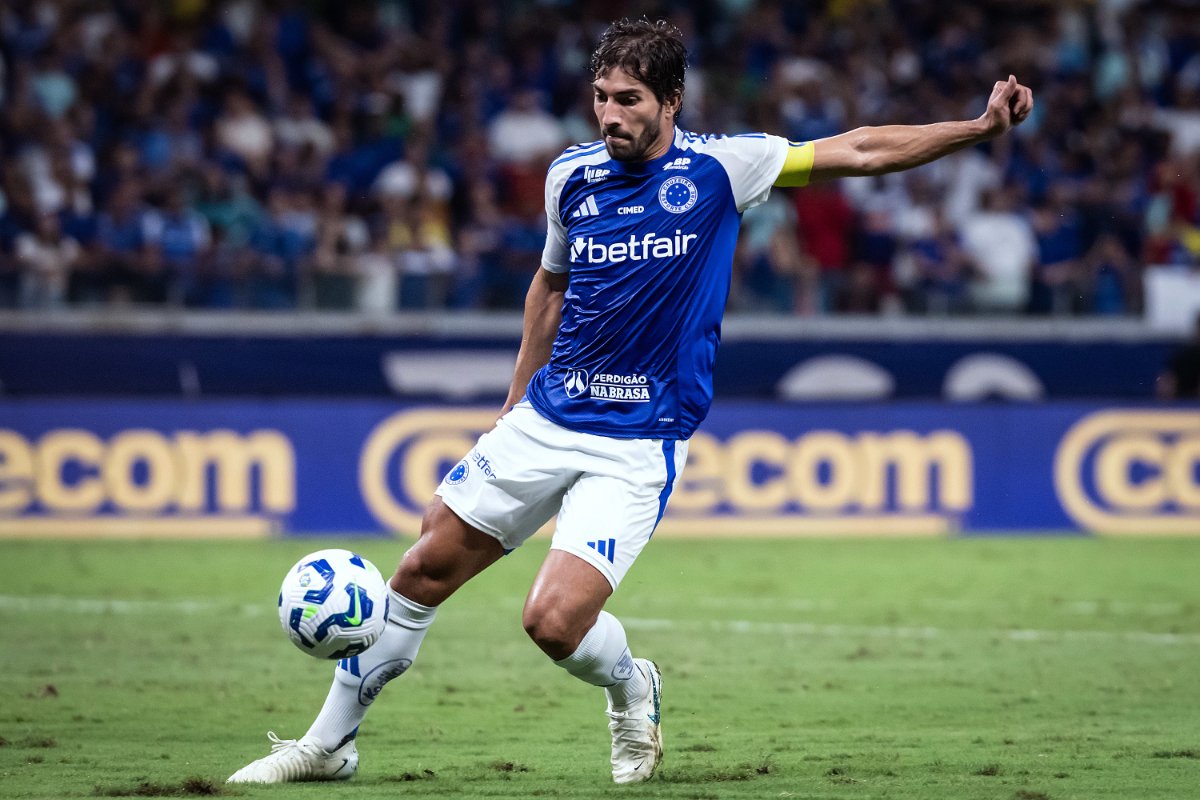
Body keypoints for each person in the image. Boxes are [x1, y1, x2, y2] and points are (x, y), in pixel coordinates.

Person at [227, 18, 1033, 786]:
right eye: (602, 98)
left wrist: (975, 128)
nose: (611, 116)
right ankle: (327, 746)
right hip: (548, 415)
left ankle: (632, 686)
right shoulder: (569, 177)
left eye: (630, 101)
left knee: (551, 624)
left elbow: (857, 149)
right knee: (419, 570)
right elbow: (549, 285)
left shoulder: (726, 168)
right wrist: (513, 404)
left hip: (637, 440)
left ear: (671, 102)